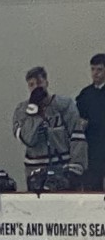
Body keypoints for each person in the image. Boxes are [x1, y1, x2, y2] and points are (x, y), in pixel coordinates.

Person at [13, 66, 86, 192]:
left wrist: (76, 166)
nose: (36, 87)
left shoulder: (65, 104)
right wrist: (33, 111)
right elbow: (28, 140)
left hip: (63, 168)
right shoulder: (21, 110)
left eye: (39, 83)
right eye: (31, 85)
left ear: (47, 83)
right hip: (35, 171)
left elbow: (77, 136)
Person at [75, 53, 105, 191]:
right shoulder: (85, 94)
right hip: (92, 150)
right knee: (93, 189)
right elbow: (78, 117)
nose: (95, 73)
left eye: (99, 69)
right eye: (93, 69)